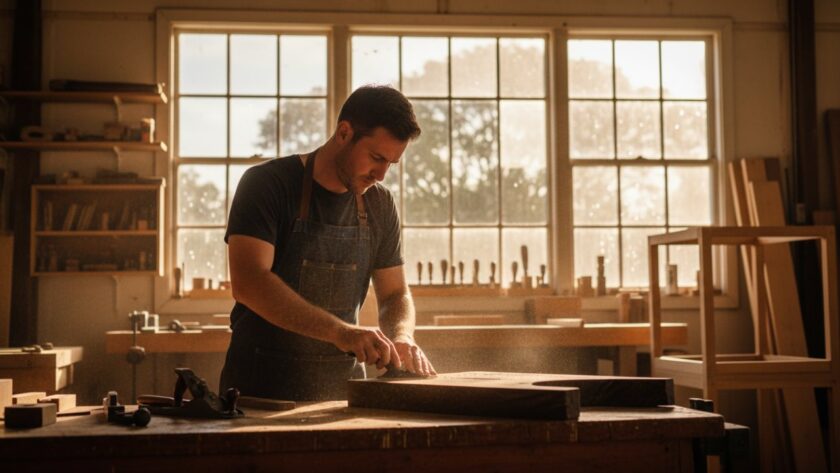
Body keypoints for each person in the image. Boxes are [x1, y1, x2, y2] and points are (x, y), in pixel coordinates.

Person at [220, 85, 436, 401]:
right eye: (376, 158)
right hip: (258, 392)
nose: (381, 174)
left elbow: (394, 293)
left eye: (391, 163)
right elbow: (250, 282)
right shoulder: (267, 185)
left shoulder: (379, 204)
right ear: (344, 132)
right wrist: (341, 332)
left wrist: (401, 335)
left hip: (342, 393)